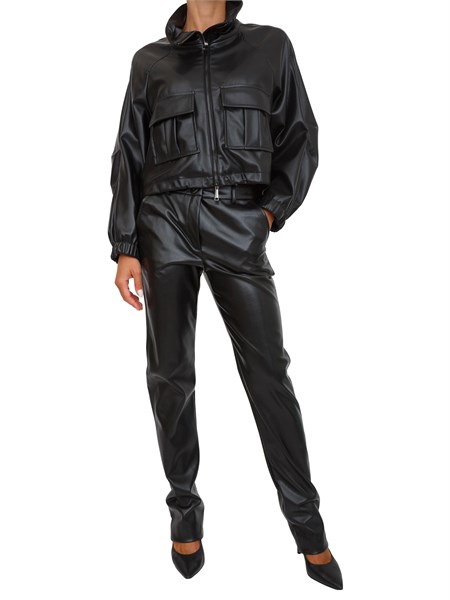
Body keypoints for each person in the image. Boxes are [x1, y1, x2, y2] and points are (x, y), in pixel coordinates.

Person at [107, 0, 343, 589]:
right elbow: (128, 152)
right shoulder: (149, 61)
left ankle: (308, 528)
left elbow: (301, 135)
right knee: (169, 375)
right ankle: (184, 513)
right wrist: (125, 244)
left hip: (238, 221)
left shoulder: (270, 45)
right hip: (163, 224)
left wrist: (268, 213)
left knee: (268, 375)